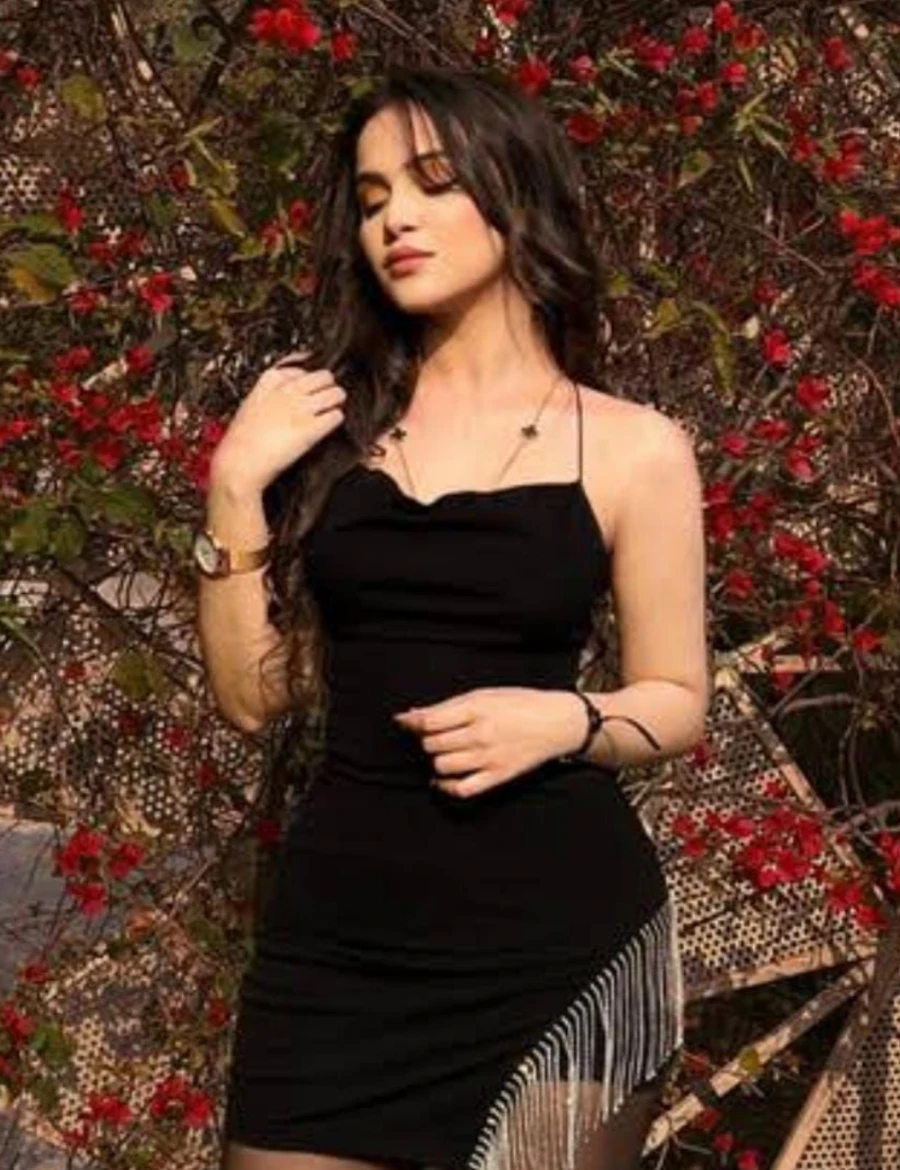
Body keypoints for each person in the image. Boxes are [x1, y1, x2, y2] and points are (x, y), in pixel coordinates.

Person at [199, 62, 709, 1170]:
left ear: (514, 194)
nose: (395, 219)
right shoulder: (324, 429)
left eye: (431, 182)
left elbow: (677, 701)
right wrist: (232, 489)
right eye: (373, 196)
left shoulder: (636, 448)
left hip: (554, 951)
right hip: (337, 946)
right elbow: (252, 698)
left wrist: (568, 720)